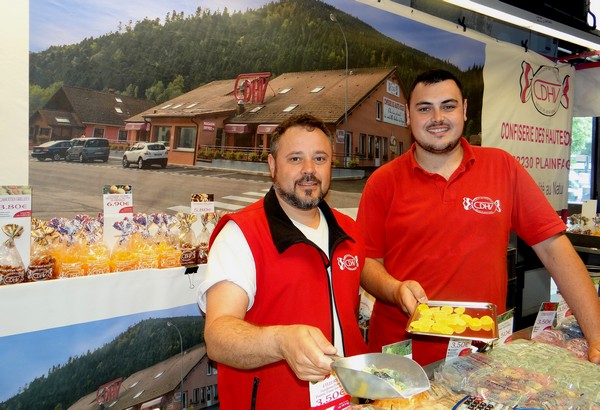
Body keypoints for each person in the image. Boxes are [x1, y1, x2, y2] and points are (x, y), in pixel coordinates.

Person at [356, 69, 600, 366]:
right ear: (408, 115)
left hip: (481, 357)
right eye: (424, 108)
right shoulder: (383, 182)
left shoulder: (502, 168)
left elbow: (554, 248)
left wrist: (597, 336)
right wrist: (395, 290)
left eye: (448, 106)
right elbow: (367, 263)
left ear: (465, 110)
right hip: (401, 360)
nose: (437, 118)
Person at [198, 114, 368, 409]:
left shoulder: (349, 230)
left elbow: (350, 291)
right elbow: (218, 335)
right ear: (273, 166)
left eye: (319, 158)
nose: (309, 171)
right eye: (295, 159)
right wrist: (280, 342)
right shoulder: (241, 234)